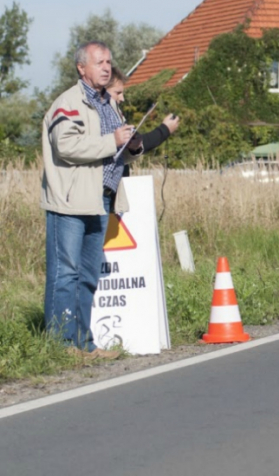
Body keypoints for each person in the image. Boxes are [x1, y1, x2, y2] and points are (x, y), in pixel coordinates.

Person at [41, 41, 143, 360]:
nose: (106, 67)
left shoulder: (108, 104)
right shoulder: (67, 104)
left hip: (100, 199)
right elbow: (67, 146)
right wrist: (111, 140)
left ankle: (84, 344)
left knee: (87, 274)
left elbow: (112, 151)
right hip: (70, 201)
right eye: (99, 62)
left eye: (109, 62)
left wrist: (132, 148)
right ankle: (60, 346)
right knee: (66, 273)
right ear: (81, 68)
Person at [106, 66, 180, 156]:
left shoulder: (116, 114)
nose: (122, 99)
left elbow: (138, 140)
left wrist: (135, 145)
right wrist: (165, 130)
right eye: (117, 93)